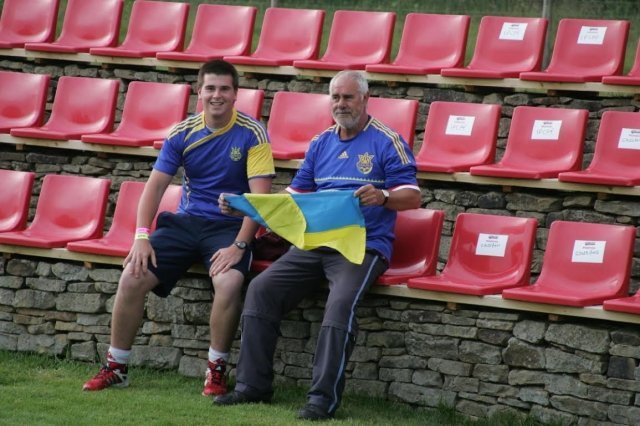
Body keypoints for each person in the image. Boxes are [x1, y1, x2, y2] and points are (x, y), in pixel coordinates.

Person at [214, 70, 421, 420]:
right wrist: (246, 206)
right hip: (315, 244)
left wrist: (383, 196)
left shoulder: (388, 141)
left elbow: (413, 196)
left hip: (363, 246)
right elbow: (292, 198)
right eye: (335, 97)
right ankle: (252, 387)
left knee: (339, 305)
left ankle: (321, 400)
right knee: (261, 289)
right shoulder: (320, 143)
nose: (341, 104)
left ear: (365, 99)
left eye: (348, 97)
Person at [83, 60, 275, 396]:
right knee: (131, 275)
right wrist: (141, 236)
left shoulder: (253, 132)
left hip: (229, 227)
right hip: (185, 223)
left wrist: (240, 245)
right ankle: (117, 367)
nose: (217, 95)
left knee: (230, 282)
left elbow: (260, 199)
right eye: (210, 88)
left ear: (236, 94)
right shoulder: (182, 133)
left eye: (224, 89)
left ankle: (216, 371)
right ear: (199, 92)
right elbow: (155, 187)